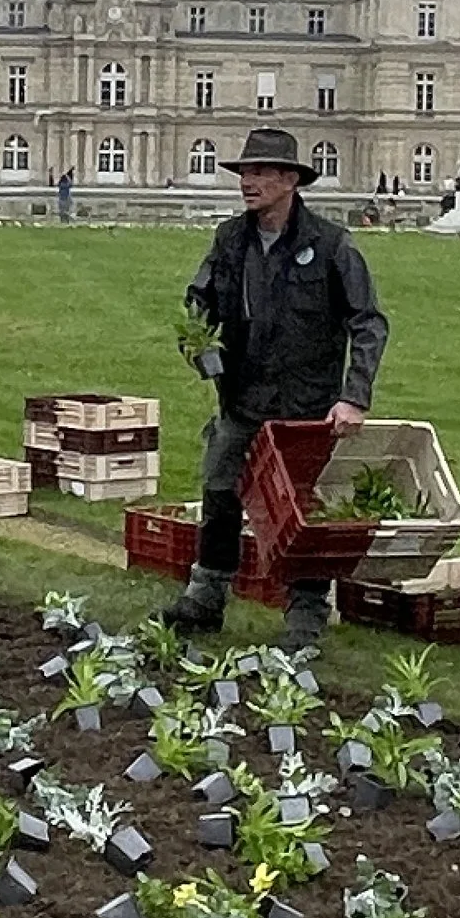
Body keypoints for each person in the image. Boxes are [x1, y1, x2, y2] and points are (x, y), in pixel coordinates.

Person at [166, 123, 389, 646]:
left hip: (304, 407)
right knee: (219, 492)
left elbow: (369, 323)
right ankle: (206, 596)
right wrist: (199, 345)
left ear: (291, 180)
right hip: (242, 399)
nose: (249, 181)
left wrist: (353, 396)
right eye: (245, 172)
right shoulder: (229, 239)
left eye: (261, 172)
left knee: (299, 509)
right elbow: (198, 301)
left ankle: (306, 615)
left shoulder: (331, 245)